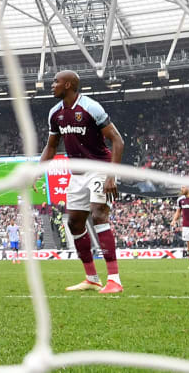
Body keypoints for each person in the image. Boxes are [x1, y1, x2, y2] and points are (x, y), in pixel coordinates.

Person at [39, 70, 126, 294]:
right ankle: (92, 278)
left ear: (68, 85)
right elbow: (51, 146)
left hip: (99, 169)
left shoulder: (91, 107)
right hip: (77, 174)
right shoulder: (55, 113)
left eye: (56, 81)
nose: (52, 85)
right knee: (74, 223)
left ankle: (114, 279)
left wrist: (111, 175)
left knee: (98, 215)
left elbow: (117, 140)